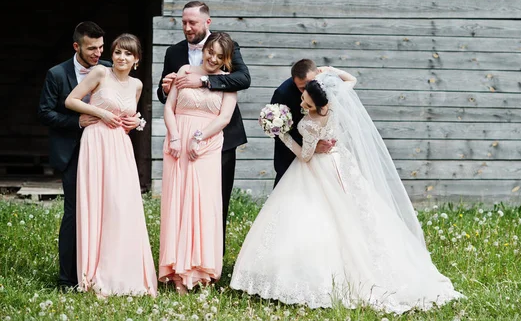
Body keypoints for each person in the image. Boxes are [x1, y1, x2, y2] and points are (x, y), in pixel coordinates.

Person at [231, 66, 463, 314]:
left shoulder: (308, 124)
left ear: (314, 105)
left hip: (319, 168)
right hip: (341, 162)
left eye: (305, 102)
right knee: (358, 207)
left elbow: (306, 156)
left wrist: (283, 134)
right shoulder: (334, 104)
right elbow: (351, 79)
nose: (301, 102)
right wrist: (330, 70)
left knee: (311, 214)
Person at [64, 33, 157, 297]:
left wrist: (133, 123)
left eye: (128, 53)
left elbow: (129, 118)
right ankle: (95, 272)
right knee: (100, 205)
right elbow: (71, 100)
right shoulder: (100, 74)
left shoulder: (137, 85)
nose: (121, 57)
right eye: (117, 52)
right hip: (96, 143)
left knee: (122, 206)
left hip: (120, 146)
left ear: (136, 59)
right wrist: (100, 112)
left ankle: (124, 271)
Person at [157, 1, 250, 253]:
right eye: (184, 22)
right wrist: (166, 88)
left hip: (222, 136)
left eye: (192, 23)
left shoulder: (227, 47)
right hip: (184, 135)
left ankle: (212, 259)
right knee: (182, 198)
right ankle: (181, 255)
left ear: (207, 22)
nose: (187, 28)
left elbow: (243, 78)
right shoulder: (173, 53)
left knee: (216, 199)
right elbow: (164, 95)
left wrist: (204, 81)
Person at [159, 32, 238, 294]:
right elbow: (169, 107)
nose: (212, 59)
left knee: (203, 205)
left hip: (207, 144)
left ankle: (200, 270)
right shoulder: (184, 70)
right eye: (210, 52)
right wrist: (175, 136)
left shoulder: (228, 82)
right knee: (178, 203)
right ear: (204, 50)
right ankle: (177, 272)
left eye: (219, 56)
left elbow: (224, 117)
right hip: (177, 142)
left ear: (226, 58)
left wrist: (199, 137)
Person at [38, 21, 113, 290]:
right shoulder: (56, 74)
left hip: (106, 149)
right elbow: (44, 112)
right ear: (76, 46)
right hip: (72, 151)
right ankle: (67, 278)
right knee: (74, 212)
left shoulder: (110, 68)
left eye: (101, 47)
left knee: (107, 210)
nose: (97, 53)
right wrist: (76, 122)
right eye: (91, 48)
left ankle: (102, 272)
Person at [270, 59, 334, 187]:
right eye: (302, 88)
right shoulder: (283, 93)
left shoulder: (325, 85)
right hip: (290, 156)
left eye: (310, 83)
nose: (308, 90)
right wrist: (310, 146)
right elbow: (276, 128)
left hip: (323, 158)